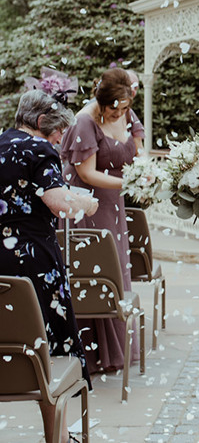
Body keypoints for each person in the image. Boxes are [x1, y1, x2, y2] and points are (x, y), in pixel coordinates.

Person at [0, 90, 99, 443]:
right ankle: (55, 437)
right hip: (33, 260)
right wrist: (85, 203)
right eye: (58, 131)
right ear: (41, 123)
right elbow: (57, 202)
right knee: (53, 345)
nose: (60, 139)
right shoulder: (39, 149)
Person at [60, 68, 144, 374]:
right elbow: (86, 174)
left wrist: (145, 171)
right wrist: (130, 182)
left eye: (125, 107)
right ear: (101, 100)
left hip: (114, 204)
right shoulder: (85, 121)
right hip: (88, 206)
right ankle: (92, 354)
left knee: (117, 265)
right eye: (115, 109)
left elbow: (138, 149)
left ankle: (116, 350)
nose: (120, 113)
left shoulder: (126, 111)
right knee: (95, 269)